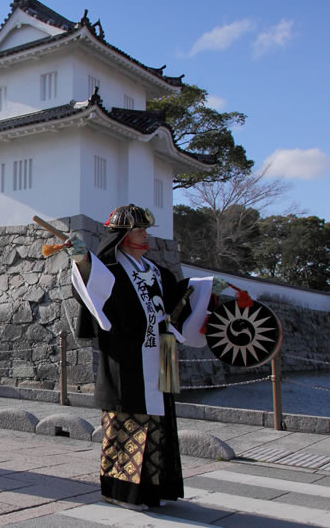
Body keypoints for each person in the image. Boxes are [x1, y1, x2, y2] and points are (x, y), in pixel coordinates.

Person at [67, 204, 223, 510]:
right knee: (128, 426)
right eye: (138, 230)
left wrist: (209, 290)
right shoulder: (109, 271)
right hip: (127, 360)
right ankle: (120, 492)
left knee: (158, 428)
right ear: (123, 236)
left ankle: (153, 491)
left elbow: (180, 301)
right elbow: (92, 286)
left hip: (160, 357)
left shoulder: (157, 272)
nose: (144, 235)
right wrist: (83, 261)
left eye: (145, 229)